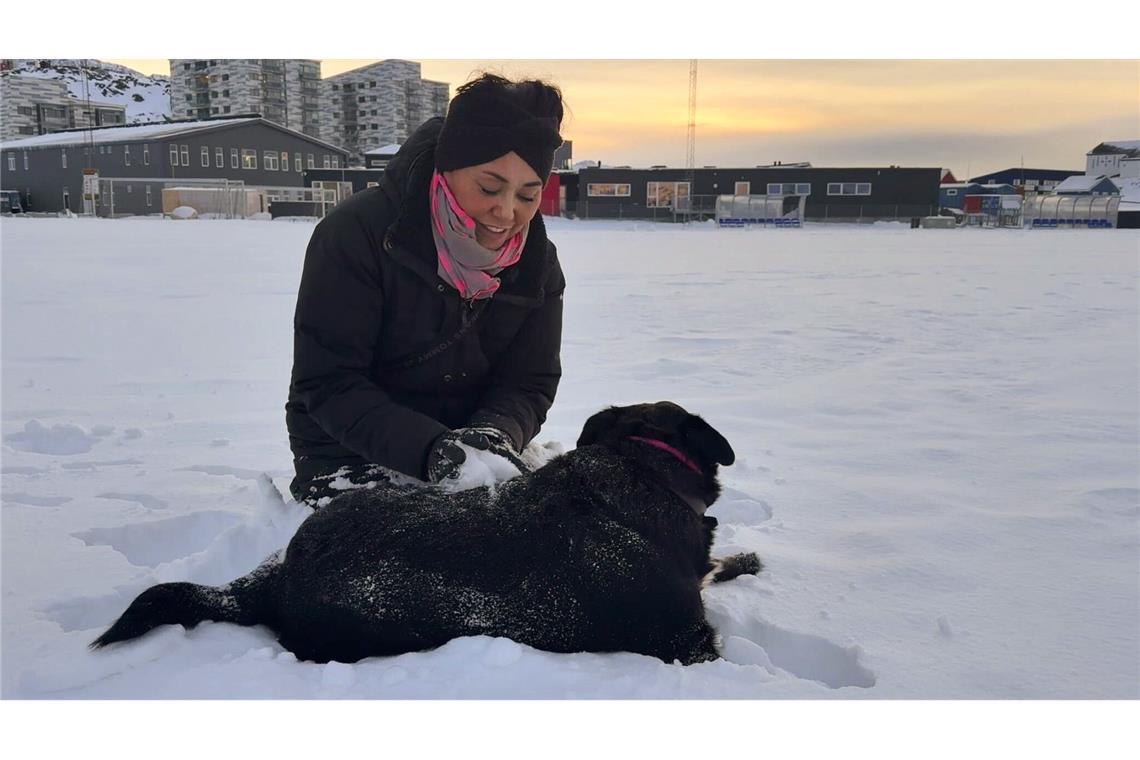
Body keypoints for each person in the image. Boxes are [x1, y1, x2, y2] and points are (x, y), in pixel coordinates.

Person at [286, 74, 567, 505]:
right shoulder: (358, 234)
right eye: (489, 187)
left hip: (473, 451)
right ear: (447, 168)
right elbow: (329, 382)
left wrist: (495, 433)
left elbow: (529, 381)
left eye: (528, 196)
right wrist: (430, 450)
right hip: (348, 453)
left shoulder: (536, 261)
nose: (506, 212)